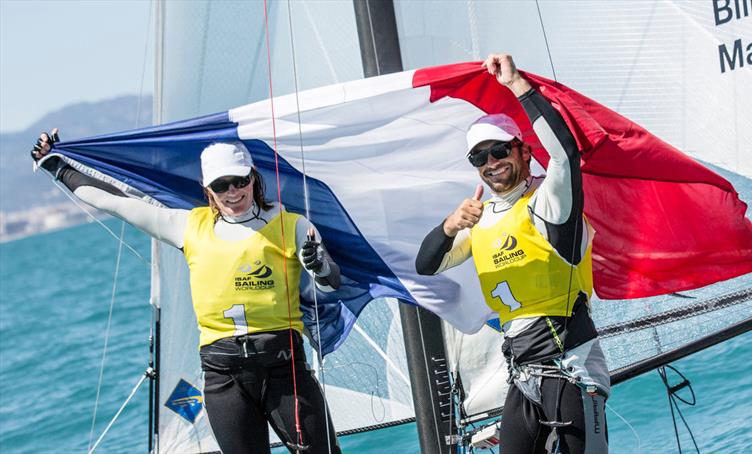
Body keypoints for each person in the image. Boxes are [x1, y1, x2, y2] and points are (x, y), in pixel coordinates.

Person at [31, 137, 342, 454]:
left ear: (253, 177)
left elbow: (330, 283)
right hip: (224, 378)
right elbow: (115, 202)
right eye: (221, 186)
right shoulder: (188, 226)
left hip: (284, 368)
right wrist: (56, 165)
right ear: (208, 189)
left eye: (239, 181)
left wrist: (319, 267)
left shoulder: (292, 225)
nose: (233, 192)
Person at [415, 54, 610, 454]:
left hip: (570, 368)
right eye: (479, 158)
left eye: (500, 151)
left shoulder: (549, 202)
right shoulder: (480, 220)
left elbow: (565, 155)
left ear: (522, 152)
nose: (491, 163)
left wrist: (518, 84)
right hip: (522, 377)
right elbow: (426, 265)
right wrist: (450, 226)